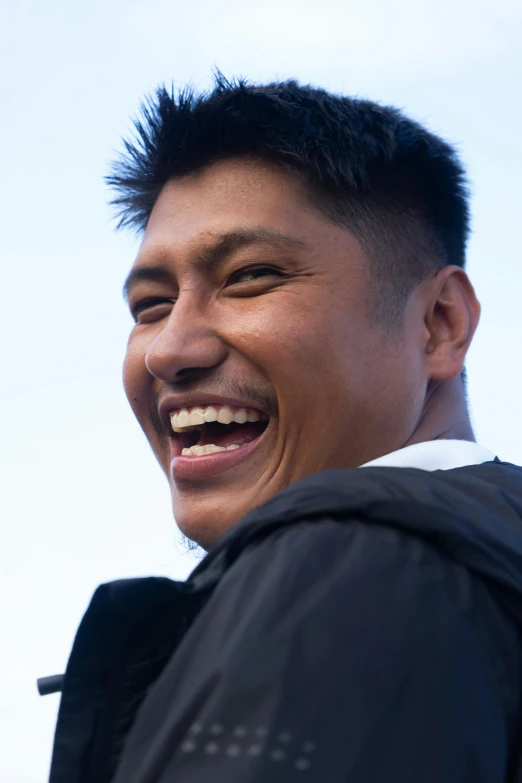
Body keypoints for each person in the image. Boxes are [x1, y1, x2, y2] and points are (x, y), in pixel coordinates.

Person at [45, 75, 522, 782]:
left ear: (439, 324)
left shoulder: (350, 563)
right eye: (151, 303)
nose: (169, 350)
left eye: (250, 276)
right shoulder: (474, 563)